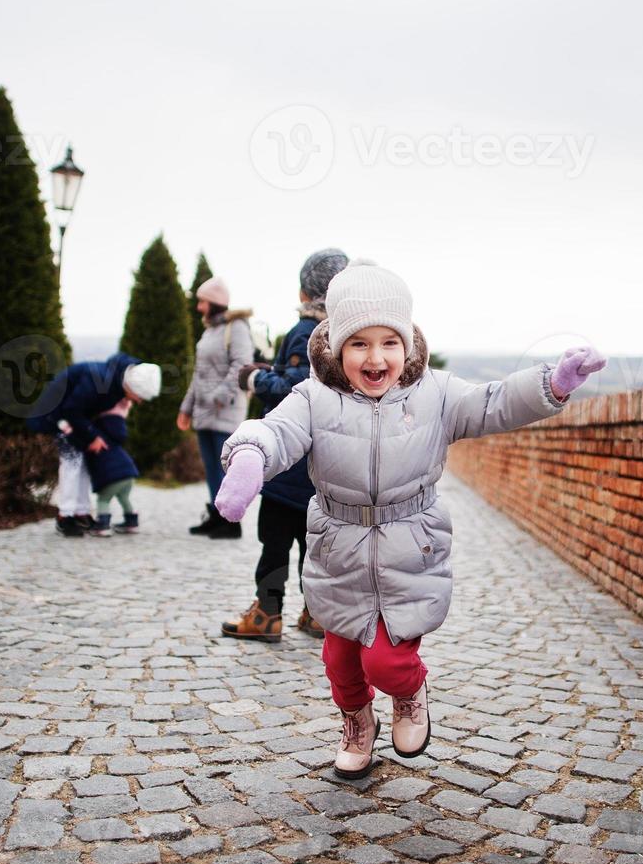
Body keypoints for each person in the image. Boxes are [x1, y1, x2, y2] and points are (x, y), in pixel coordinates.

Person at [214, 260, 605, 778]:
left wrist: (551, 384)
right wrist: (249, 455)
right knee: (341, 665)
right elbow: (276, 431)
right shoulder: (313, 396)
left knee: (387, 662)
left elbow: (492, 405)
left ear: (407, 343)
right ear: (335, 345)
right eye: (359, 344)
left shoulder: (437, 394)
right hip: (338, 550)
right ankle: (357, 724)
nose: (376, 358)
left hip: (409, 548)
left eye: (388, 343)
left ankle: (409, 693)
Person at [220, 248, 349, 643]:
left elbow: (293, 387)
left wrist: (256, 380)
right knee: (313, 548)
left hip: (287, 466)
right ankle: (316, 613)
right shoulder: (345, 336)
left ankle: (267, 612)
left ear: (303, 291)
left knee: (274, 544)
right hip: (321, 466)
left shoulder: (306, 333)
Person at [27, 353, 161, 538]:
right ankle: (65, 516)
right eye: (139, 397)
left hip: (73, 419)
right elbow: (71, 409)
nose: (139, 401)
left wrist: (92, 435)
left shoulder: (117, 381)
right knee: (71, 464)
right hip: (57, 416)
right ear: (131, 386)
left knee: (82, 465)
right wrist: (93, 437)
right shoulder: (99, 382)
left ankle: (81, 512)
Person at [178, 276, 253, 539]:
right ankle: (216, 515)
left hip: (225, 411)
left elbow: (241, 365)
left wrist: (217, 398)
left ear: (215, 303)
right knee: (210, 467)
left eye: (202, 302)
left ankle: (231, 522)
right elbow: (199, 374)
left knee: (224, 469)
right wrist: (186, 407)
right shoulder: (210, 330)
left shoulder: (238, 327)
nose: (198, 307)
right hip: (204, 413)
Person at [86, 398, 140, 536]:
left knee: (103, 499)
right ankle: (131, 523)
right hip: (129, 473)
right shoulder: (116, 435)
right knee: (124, 498)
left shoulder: (97, 438)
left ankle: (102, 526)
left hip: (113, 476)